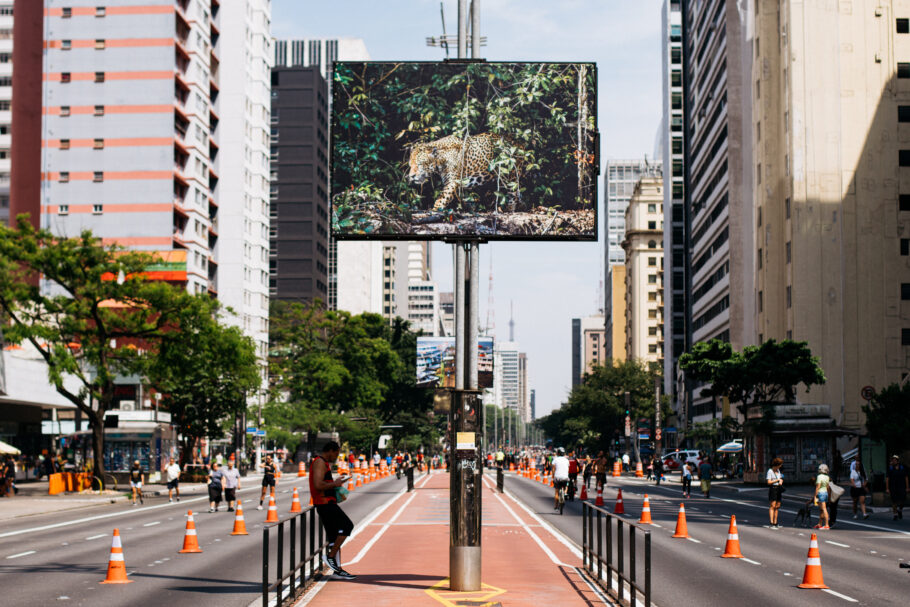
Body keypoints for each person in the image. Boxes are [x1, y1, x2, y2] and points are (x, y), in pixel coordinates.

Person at [310, 441, 356, 579]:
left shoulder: (323, 463)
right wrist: (335, 483)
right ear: (330, 450)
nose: (336, 457)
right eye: (336, 453)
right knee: (347, 526)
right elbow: (318, 485)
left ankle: (337, 569)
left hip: (326, 502)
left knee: (334, 538)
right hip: (324, 503)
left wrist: (335, 482)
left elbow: (323, 482)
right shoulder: (319, 462)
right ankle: (330, 557)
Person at [886, 455, 909, 520]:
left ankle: (900, 510)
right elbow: (887, 479)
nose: (894, 461)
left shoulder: (902, 468)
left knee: (903, 500)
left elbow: (906, 477)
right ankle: (895, 514)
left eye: (895, 460)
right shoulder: (890, 469)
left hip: (902, 486)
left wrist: (907, 487)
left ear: (898, 461)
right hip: (893, 487)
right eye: (893, 460)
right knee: (894, 501)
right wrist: (887, 488)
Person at [766, 457, 784, 528]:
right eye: (780, 464)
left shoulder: (778, 471)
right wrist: (776, 481)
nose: (781, 466)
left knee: (777, 506)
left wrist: (781, 481)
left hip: (778, 489)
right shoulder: (770, 471)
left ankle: (776, 522)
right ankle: (771, 522)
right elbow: (768, 482)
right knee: (772, 506)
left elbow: (780, 479)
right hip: (773, 488)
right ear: (777, 464)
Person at [813, 463, 831, 530]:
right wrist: (829, 496)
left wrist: (815, 496)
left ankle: (826, 525)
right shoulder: (827, 477)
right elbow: (828, 487)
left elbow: (818, 487)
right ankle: (820, 524)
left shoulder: (819, 476)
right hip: (825, 493)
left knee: (824, 509)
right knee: (821, 510)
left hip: (821, 493)